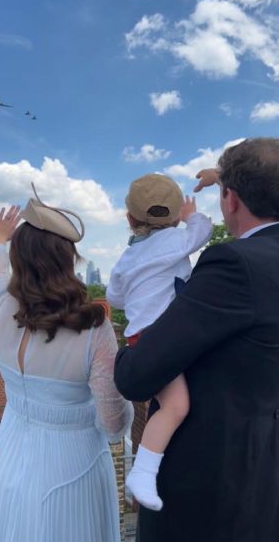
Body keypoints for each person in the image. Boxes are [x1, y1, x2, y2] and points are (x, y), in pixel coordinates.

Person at [114, 138, 279, 542]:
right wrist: (227, 178)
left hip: (213, 494)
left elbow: (138, 376)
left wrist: (120, 354)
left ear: (231, 200)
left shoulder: (234, 266)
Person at [0, 186, 133, 542]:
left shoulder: (0, 305)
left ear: (20, 257)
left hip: (6, 463)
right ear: (67, 259)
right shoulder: (93, 329)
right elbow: (113, 425)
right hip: (72, 471)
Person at [106, 174, 212, 510]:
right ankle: (144, 472)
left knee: (169, 403)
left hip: (142, 337)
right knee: (177, 406)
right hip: (163, 339)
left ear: (129, 218)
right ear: (176, 215)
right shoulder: (178, 240)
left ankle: (148, 467)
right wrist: (192, 215)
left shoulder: (127, 258)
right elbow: (204, 231)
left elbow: (115, 298)